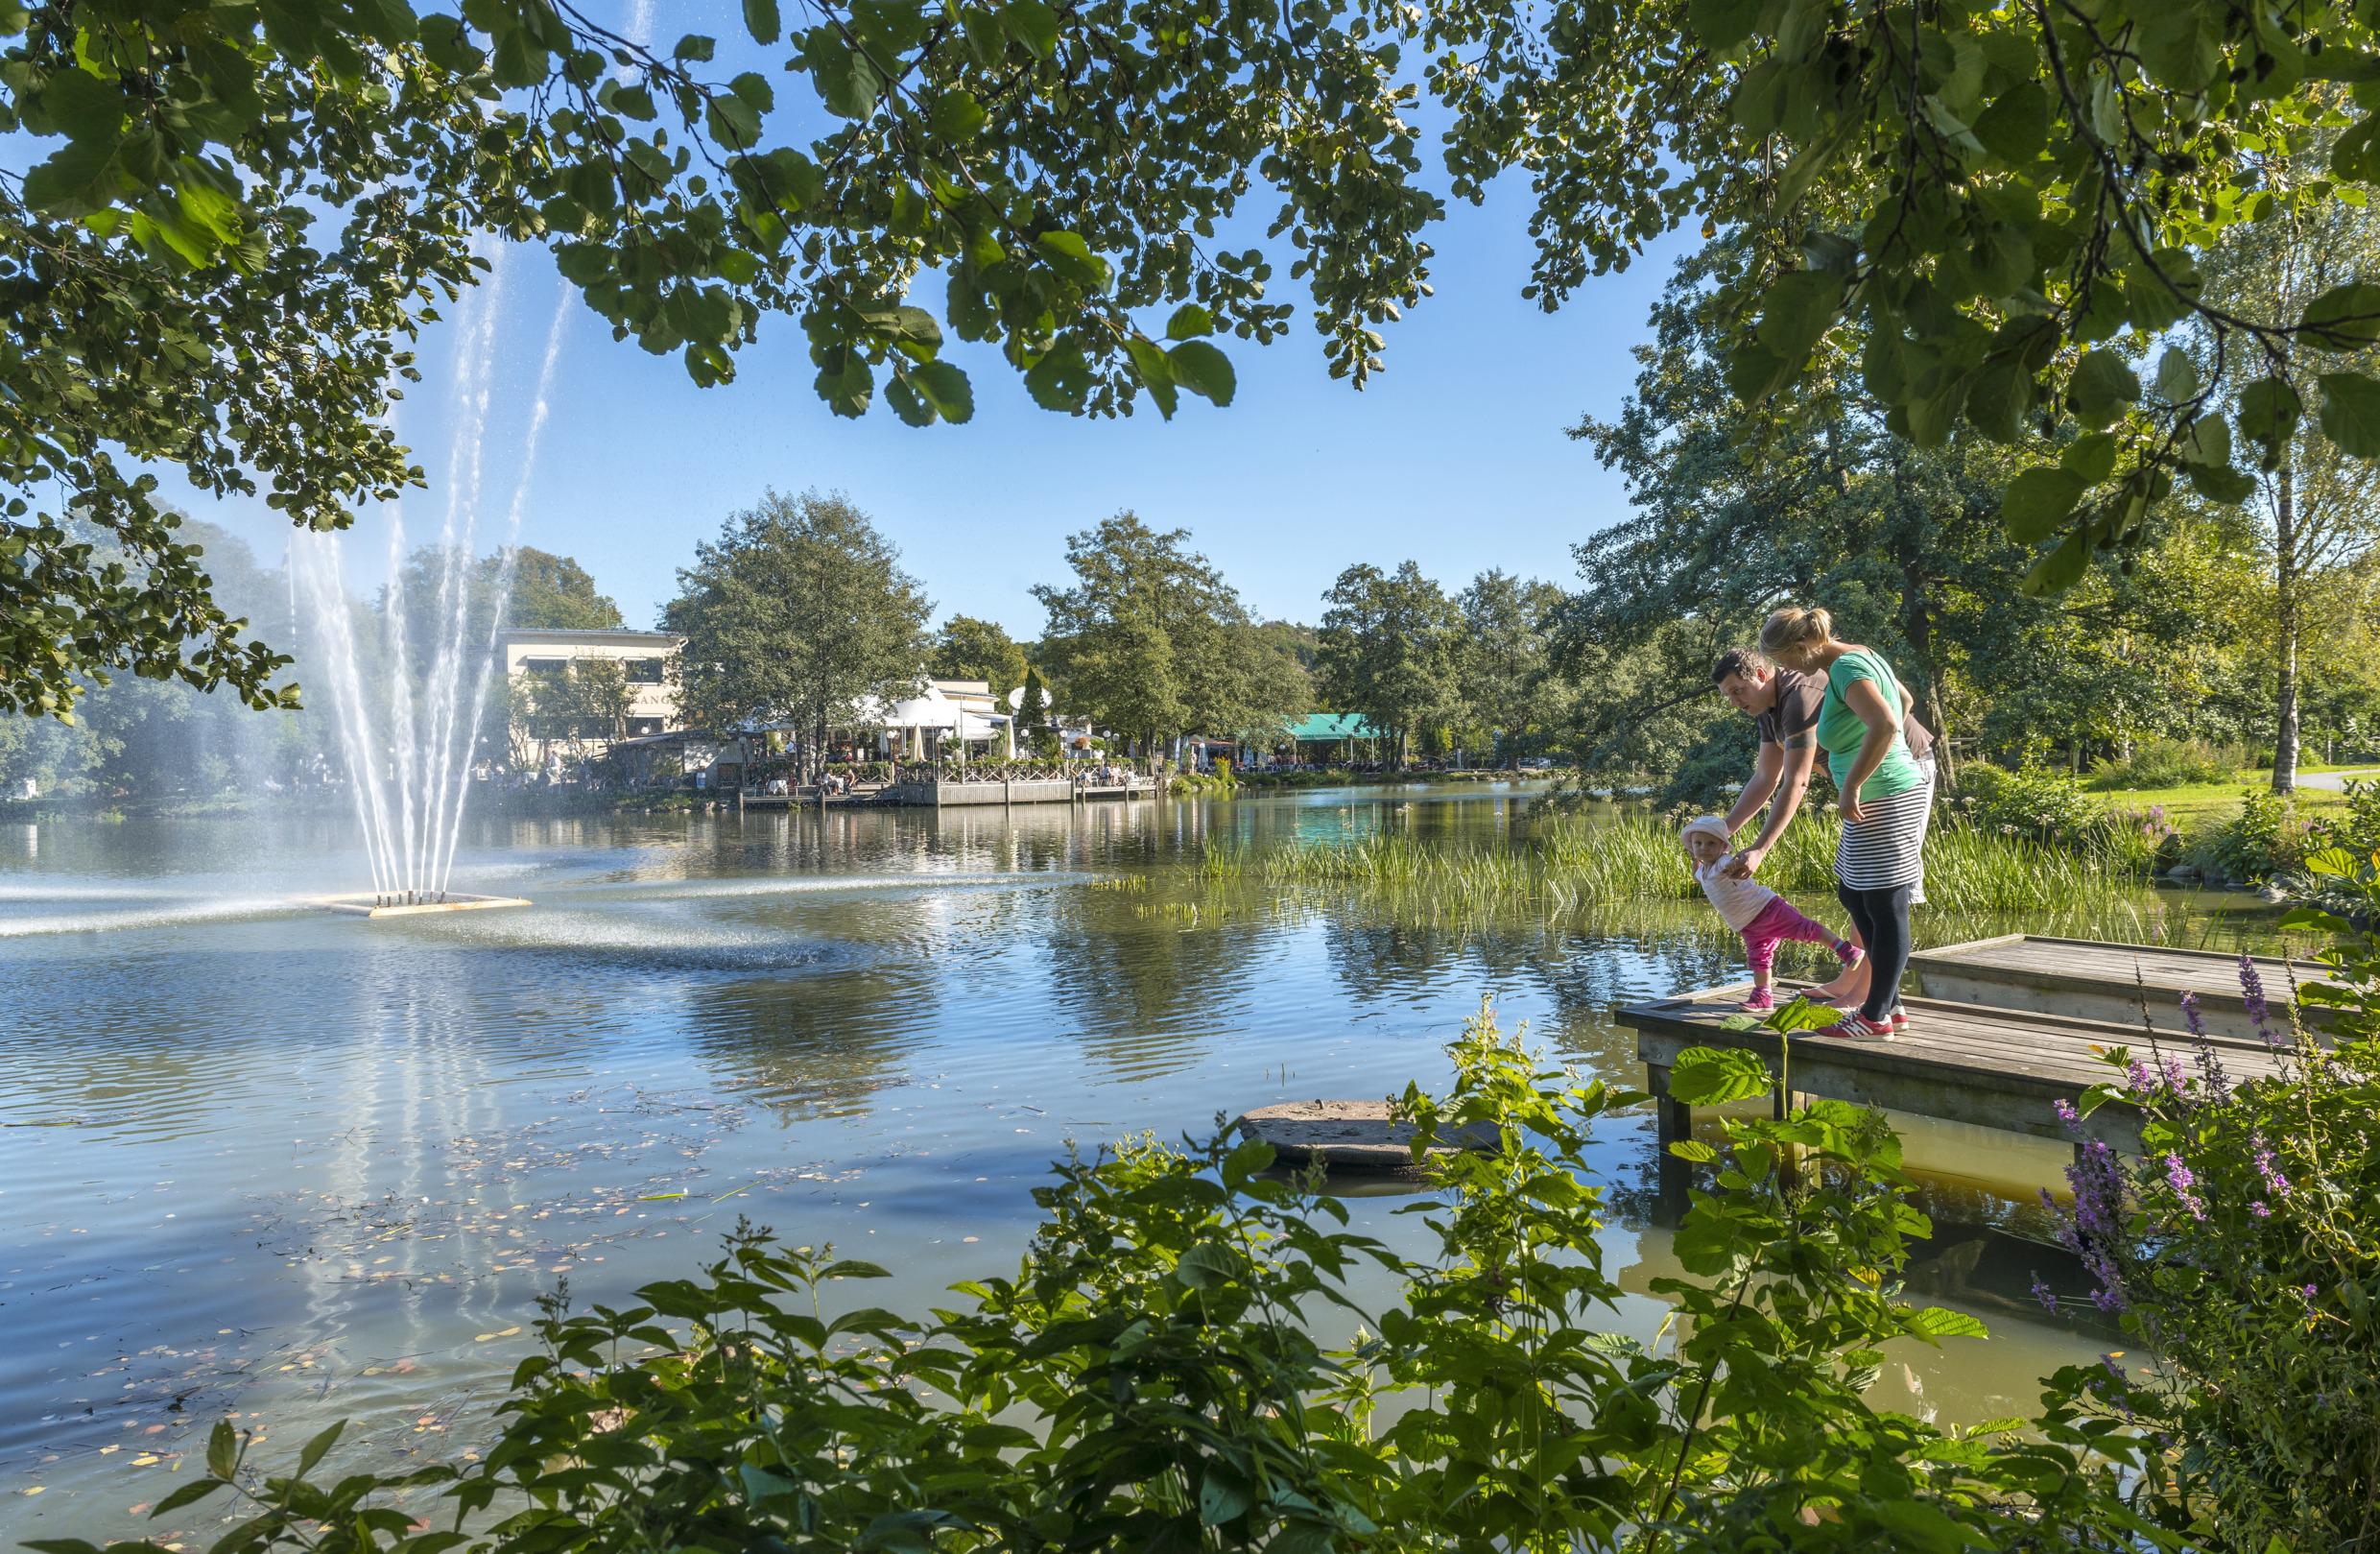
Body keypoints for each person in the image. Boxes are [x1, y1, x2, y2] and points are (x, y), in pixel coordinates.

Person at [1711, 643, 1938, 1000]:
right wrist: (1719, 833)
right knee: (1853, 887)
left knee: (1875, 890)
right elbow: (1765, 778)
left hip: (1900, 773)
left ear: (1760, 674)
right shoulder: (1767, 708)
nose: (1735, 702)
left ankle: (1866, 995)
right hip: (1862, 783)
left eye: (1738, 691)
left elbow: (1796, 781)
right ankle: (1853, 982)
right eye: (1728, 696)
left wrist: (1760, 849)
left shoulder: (1799, 697)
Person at [1755, 607, 1934, 1040]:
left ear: (1801, 647)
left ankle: (1875, 1017)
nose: (1786, 670)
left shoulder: (1848, 666)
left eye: (1784, 660)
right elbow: (1904, 701)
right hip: (1880, 795)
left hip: (1886, 795)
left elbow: (1888, 722)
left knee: (1884, 902)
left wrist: (1851, 783)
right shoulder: (1856, 657)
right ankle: (1890, 1004)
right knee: (1853, 890)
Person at [1680, 815, 1863, 1012]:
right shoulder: (1702, 871)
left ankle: (1844, 949)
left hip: (1768, 908)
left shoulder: (1725, 863)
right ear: (1691, 847)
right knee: (1759, 958)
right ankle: (1763, 996)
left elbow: (1732, 863)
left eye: (1710, 843)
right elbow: (1699, 877)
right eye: (1697, 843)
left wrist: (1739, 860)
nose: (1703, 848)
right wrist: (1695, 862)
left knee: (1806, 929)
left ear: (1723, 847)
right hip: (1747, 924)